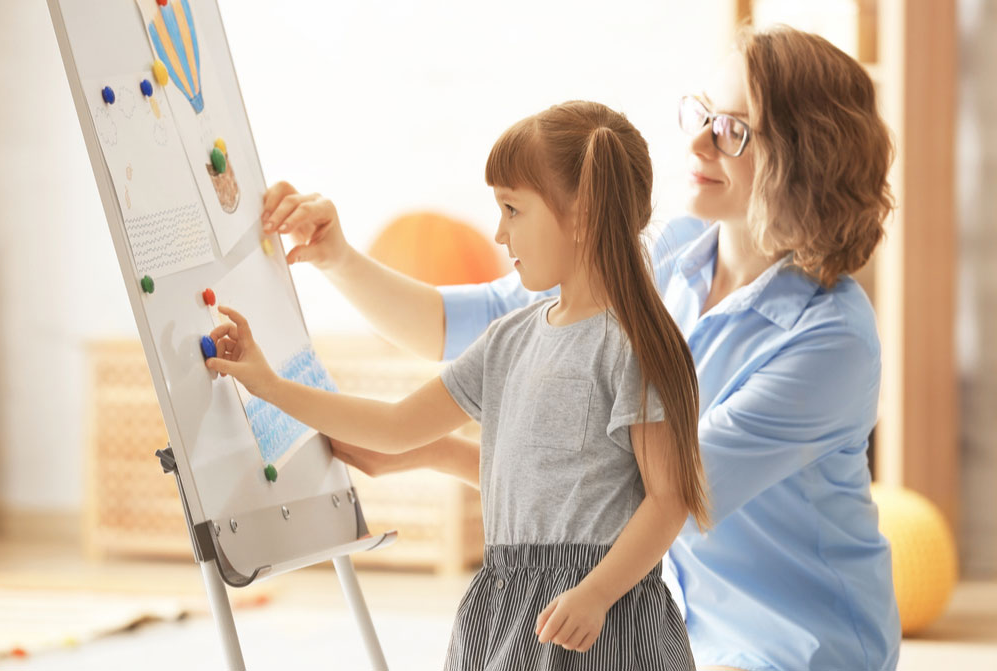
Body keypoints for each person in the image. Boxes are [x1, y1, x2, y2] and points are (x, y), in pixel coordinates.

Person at [260, 25, 902, 671]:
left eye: (733, 129)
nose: (698, 140)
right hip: (680, 620)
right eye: (702, 112)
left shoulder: (832, 339)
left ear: (802, 157)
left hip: (801, 645)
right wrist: (337, 258)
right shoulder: (670, 251)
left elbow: (663, 489)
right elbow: (469, 324)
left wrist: (428, 448)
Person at [209, 100, 708, 670]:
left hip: (603, 621)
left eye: (513, 209)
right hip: (504, 611)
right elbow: (395, 426)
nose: (498, 232)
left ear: (584, 214)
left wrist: (596, 593)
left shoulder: (636, 346)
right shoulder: (508, 339)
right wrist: (268, 386)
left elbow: (669, 500)